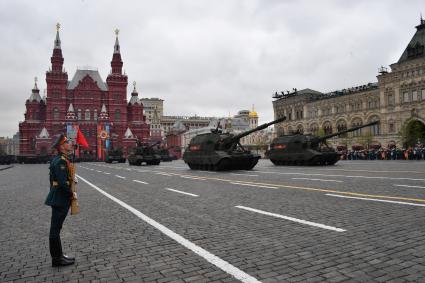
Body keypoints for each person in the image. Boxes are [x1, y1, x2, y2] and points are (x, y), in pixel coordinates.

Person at [45, 134, 76, 267]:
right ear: (62, 146)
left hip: (58, 196)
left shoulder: (60, 159)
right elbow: (62, 183)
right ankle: (57, 259)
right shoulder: (61, 161)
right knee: (55, 229)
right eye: (67, 142)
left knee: (57, 228)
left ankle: (59, 255)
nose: (70, 143)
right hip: (60, 198)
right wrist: (72, 193)